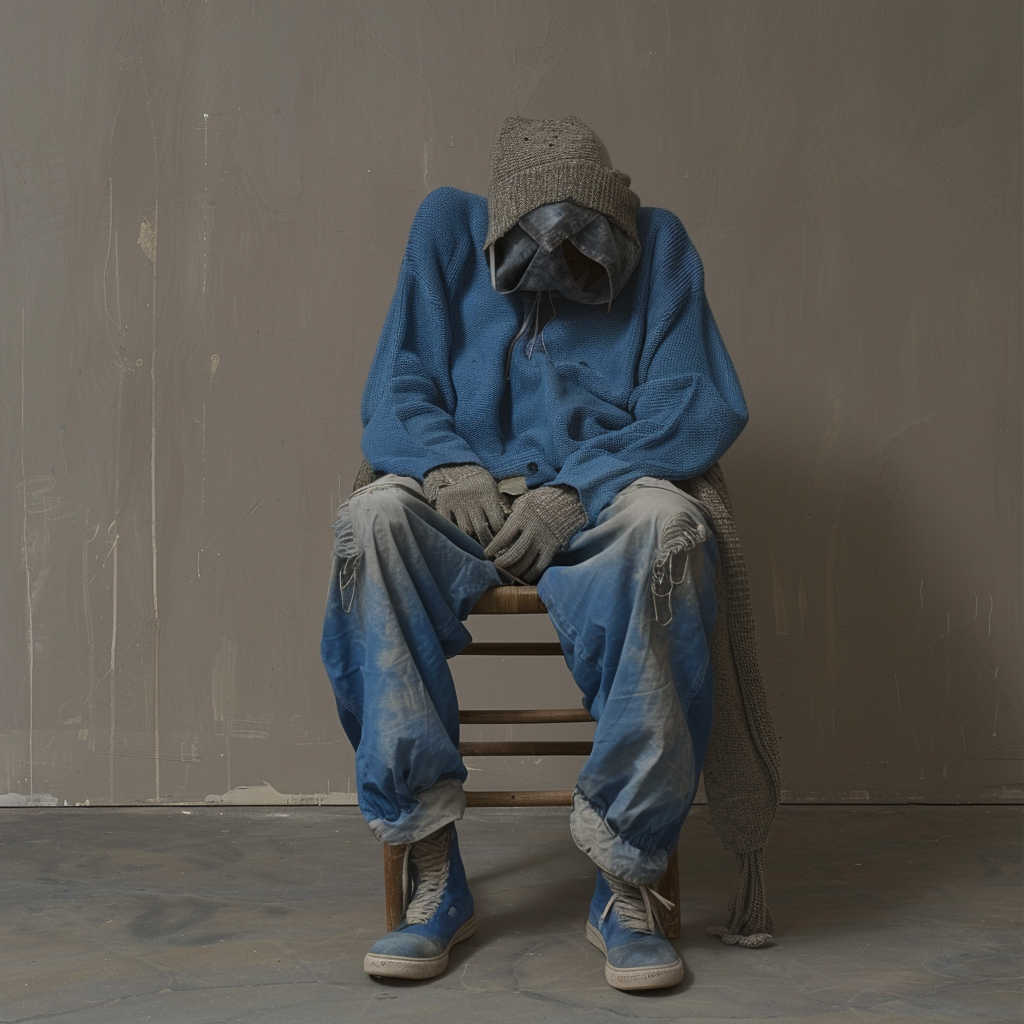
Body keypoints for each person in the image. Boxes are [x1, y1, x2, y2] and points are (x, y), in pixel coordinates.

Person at [321, 116, 749, 991]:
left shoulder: (660, 244)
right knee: (370, 523)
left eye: (584, 239)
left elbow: (694, 403)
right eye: (537, 236)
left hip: (599, 497)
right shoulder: (446, 225)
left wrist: (574, 492)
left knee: (673, 531)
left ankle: (626, 874)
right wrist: (445, 461)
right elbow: (397, 380)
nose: (560, 259)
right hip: (465, 499)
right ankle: (432, 867)